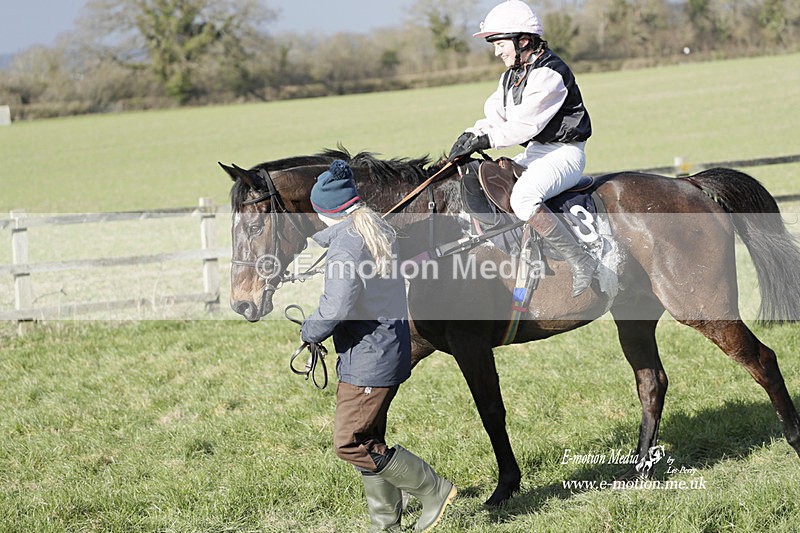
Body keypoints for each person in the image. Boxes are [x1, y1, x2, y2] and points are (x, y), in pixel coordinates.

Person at [300, 159, 457, 532]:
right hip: (382, 347)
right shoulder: (373, 228)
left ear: (327, 211)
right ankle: (385, 521)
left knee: (350, 442)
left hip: (370, 356)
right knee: (367, 438)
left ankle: (433, 489)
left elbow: (337, 305)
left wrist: (310, 330)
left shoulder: (347, 245)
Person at [448, 0, 596, 297]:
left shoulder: (549, 73)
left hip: (564, 154)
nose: (496, 51)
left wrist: (485, 140)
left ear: (523, 40)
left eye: (500, 44)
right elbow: (496, 118)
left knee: (524, 199)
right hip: (536, 154)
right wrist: (471, 134)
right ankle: (524, 252)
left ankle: (582, 262)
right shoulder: (511, 77)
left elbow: (525, 125)